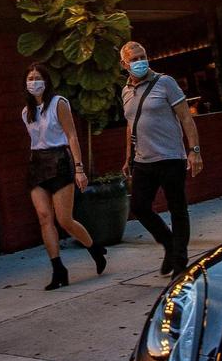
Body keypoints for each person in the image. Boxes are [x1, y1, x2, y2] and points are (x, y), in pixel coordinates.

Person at [120, 41, 203, 278]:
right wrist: (128, 155)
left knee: (178, 209)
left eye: (142, 56)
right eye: (134, 59)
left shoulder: (165, 83)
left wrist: (194, 150)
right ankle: (169, 243)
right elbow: (131, 124)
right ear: (124, 64)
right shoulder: (126, 91)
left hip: (170, 157)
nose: (139, 62)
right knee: (139, 207)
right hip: (143, 160)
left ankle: (180, 262)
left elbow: (186, 118)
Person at [22, 63, 107, 290]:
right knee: (44, 217)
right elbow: (34, 141)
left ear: (46, 80)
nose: (33, 82)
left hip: (59, 159)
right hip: (37, 163)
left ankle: (94, 249)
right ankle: (58, 269)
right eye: (30, 79)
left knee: (64, 219)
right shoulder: (26, 112)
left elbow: (71, 135)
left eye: (37, 78)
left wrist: (79, 168)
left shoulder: (58, 103)